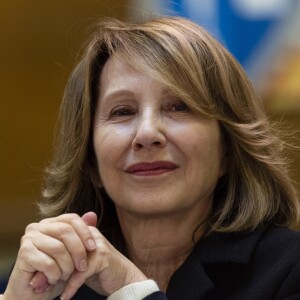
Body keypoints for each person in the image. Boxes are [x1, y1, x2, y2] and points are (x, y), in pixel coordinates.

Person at [1, 16, 300, 300]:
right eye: (122, 111)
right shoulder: (43, 282)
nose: (146, 133)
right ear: (90, 161)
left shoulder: (289, 272)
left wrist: (130, 289)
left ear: (228, 150)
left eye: (179, 107)